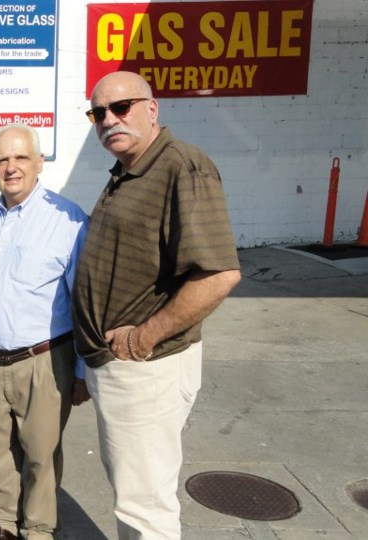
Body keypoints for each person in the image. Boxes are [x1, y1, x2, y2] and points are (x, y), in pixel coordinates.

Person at [74, 71, 241, 539]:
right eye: (98, 113)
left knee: (145, 506)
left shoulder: (182, 167)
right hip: (118, 366)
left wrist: (142, 337)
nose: (108, 119)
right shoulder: (130, 170)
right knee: (133, 494)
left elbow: (218, 274)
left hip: (145, 368)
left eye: (121, 107)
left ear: (152, 108)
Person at [0, 124, 88, 540]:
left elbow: (82, 302)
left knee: (40, 454)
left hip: (43, 361)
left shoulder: (68, 219)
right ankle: (2, 521)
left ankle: (37, 528)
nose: (11, 168)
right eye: (2, 160)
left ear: (39, 163)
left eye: (20, 158)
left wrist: (83, 374)